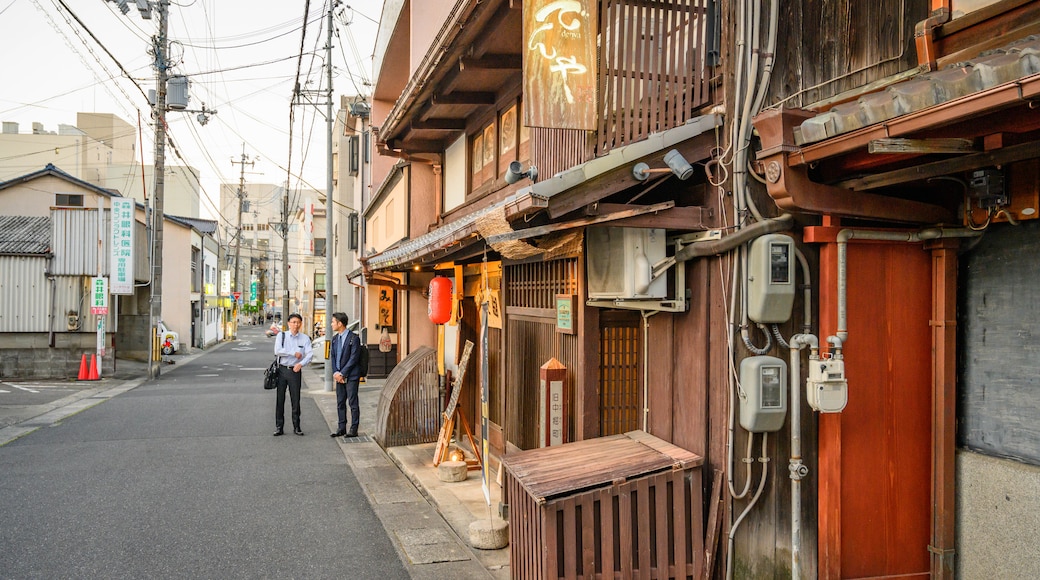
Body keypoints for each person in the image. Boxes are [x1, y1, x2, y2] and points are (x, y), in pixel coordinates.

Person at [273, 313, 312, 436]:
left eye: (298, 322)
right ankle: (279, 426)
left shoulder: (305, 338)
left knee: (296, 400)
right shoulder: (282, 335)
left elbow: (309, 354)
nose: (296, 324)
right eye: (293, 322)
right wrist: (293, 353)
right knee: (280, 399)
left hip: (295, 371)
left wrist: (301, 364)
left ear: (301, 324)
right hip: (282, 369)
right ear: (289, 323)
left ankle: (297, 426)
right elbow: (277, 351)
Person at [329, 311, 362, 438]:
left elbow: (354, 358)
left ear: (340, 323)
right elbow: (333, 357)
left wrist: (343, 373)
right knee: (340, 402)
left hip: (351, 376)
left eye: (333, 322)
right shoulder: (335, 339)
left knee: (353, 403)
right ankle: (341, 427)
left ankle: (354, 429)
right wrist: (336, 373)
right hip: (339, 376)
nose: (331, 324)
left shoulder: (354, 338)